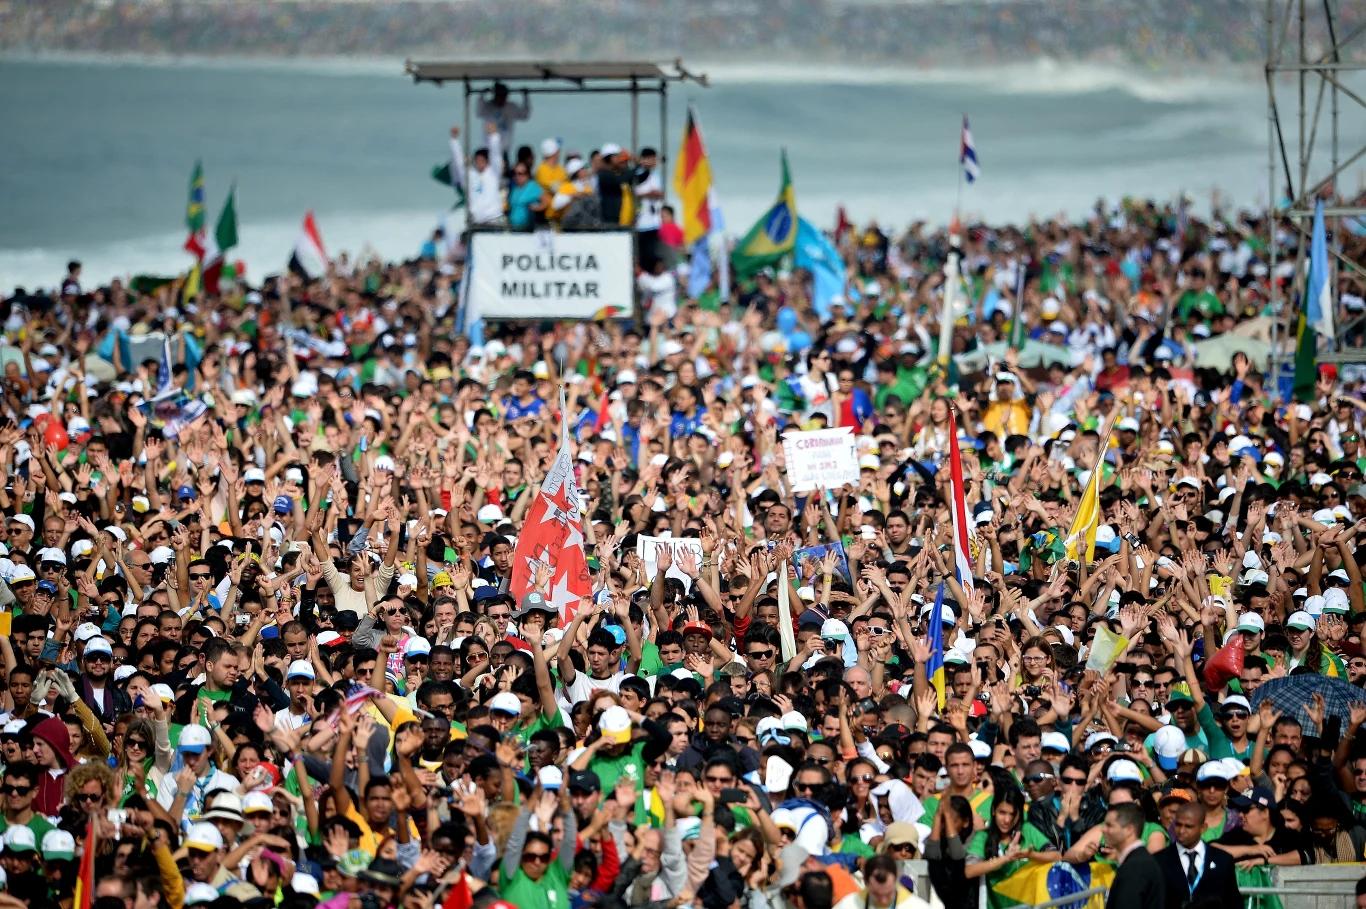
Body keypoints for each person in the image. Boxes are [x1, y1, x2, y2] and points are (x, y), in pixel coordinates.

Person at [1154, 802, 1242, 909]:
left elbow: (1233, 902)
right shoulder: (1158, 861)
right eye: (1178, 824)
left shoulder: (1222, 860)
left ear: (1203, 828)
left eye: (1188, 826)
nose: (1181, 831)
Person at [1105, 803, 1165, 909]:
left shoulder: (1135, 867)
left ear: (1129, 830)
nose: (1104, 830)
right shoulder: (1139, 861)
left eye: (1109, 825)